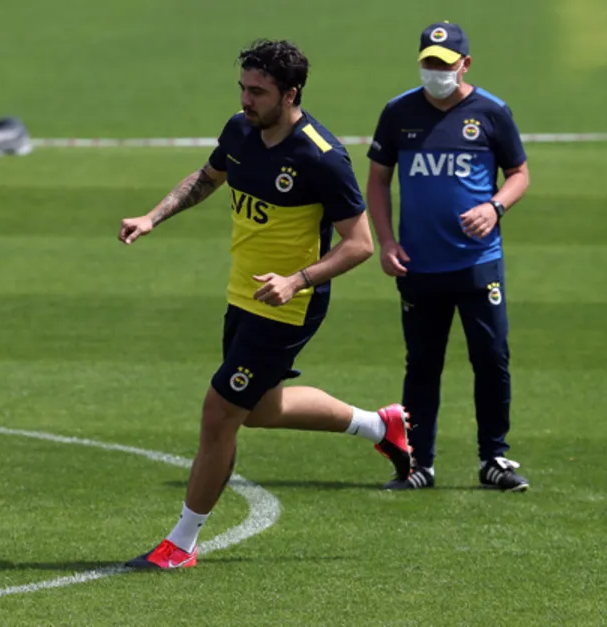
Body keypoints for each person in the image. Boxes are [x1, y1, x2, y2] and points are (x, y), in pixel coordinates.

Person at [118, 39, 411, 569]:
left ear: (290, 94)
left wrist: (297, 280)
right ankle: (380, 425)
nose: (246, 100)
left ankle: (181, 543)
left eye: (258, 92)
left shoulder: (321, 156)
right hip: (243, 294)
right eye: (243, 88)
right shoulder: (240, 130)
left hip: (287, 306)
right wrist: (152, 217)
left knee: (220, 413)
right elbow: (207, 178)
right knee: (260, 409)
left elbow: (359, 244)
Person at [365, 21, 532, 491]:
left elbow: (519, 173)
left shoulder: (491, 112)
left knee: (491, 358)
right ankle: (418, 463)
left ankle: (494, 459)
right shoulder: (398, 112)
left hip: (478, 262)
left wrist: (494, 207)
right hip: (418, 265)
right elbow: (377, 180)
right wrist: (387, 241)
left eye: (444, 64)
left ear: (465, 64)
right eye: (429, 63)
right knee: (421, 364)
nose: (436, 72)